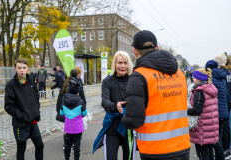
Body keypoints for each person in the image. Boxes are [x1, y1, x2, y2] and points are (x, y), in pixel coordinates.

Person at [121, 30, 190, 160]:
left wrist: (123, 116)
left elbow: (134, 120)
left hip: (155, 150)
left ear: (135, 51)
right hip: (182, 147)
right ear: (157, 47)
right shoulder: (180, 75)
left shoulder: (139, 76)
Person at [92, 51, 134, 160]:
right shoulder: (107, 81)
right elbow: (104, 101)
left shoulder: (134, 80)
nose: (123, 66)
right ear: (115, 64)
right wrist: (115, 106)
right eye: (120, 62)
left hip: (129, 126)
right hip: (112, 126)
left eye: (125, 63)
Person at [4, 58, 44, 160]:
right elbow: (8, 107)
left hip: (33, 121)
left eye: (24, 68)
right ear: (15, 68)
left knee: (40, 145)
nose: (22, 70)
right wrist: (23, 116)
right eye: (19, 68)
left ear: (27, 68)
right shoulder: (11, 85)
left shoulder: (31, 79)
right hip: (21, 123)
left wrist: (36, 110)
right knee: (21, 149)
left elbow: (36, 96)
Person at [188, 68, 219, 160]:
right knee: (209, 153)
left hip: (202, 130)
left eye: (194, 77)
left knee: (202, 155)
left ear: (199, 79)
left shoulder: (199, 91)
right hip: (210, 128)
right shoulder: (210, 88)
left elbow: (197, 110)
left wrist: (185, 111)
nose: (192, 79)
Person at [205, 56, 228, 160]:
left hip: (216, 112)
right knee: (219, 136)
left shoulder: (211, 78)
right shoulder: (222, 76)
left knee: (214, 138)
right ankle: (220, 155)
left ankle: (220, 157)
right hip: (223, 111)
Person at [60, 79, 87, 160]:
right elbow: (84, 113)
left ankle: (67, 158)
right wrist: (79, 117)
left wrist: (67, 116)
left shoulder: (64, 100)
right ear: (77, 92)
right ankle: (76, 158)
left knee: (67, 144)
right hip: (78, 127)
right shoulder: (80, 101)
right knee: (77, 144)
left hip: (68, 127)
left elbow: (61, 113)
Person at [56, 69, 80, 150]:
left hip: (65, 107)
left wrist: (58, 108)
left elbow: (60, 95)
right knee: (74, 126)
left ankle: (66, 144)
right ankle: (73, 143)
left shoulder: (65, 83)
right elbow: (81, 95)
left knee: (67, 126)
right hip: (74, 107)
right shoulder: (77, 83)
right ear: (77, 75)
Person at [222, 58, 231, 158]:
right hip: (229, 100)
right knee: (228, 126)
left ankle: (225, 150)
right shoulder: (229, 73)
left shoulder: (223, 74)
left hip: (225, 101)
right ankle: (228, 149)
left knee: (225, 126)